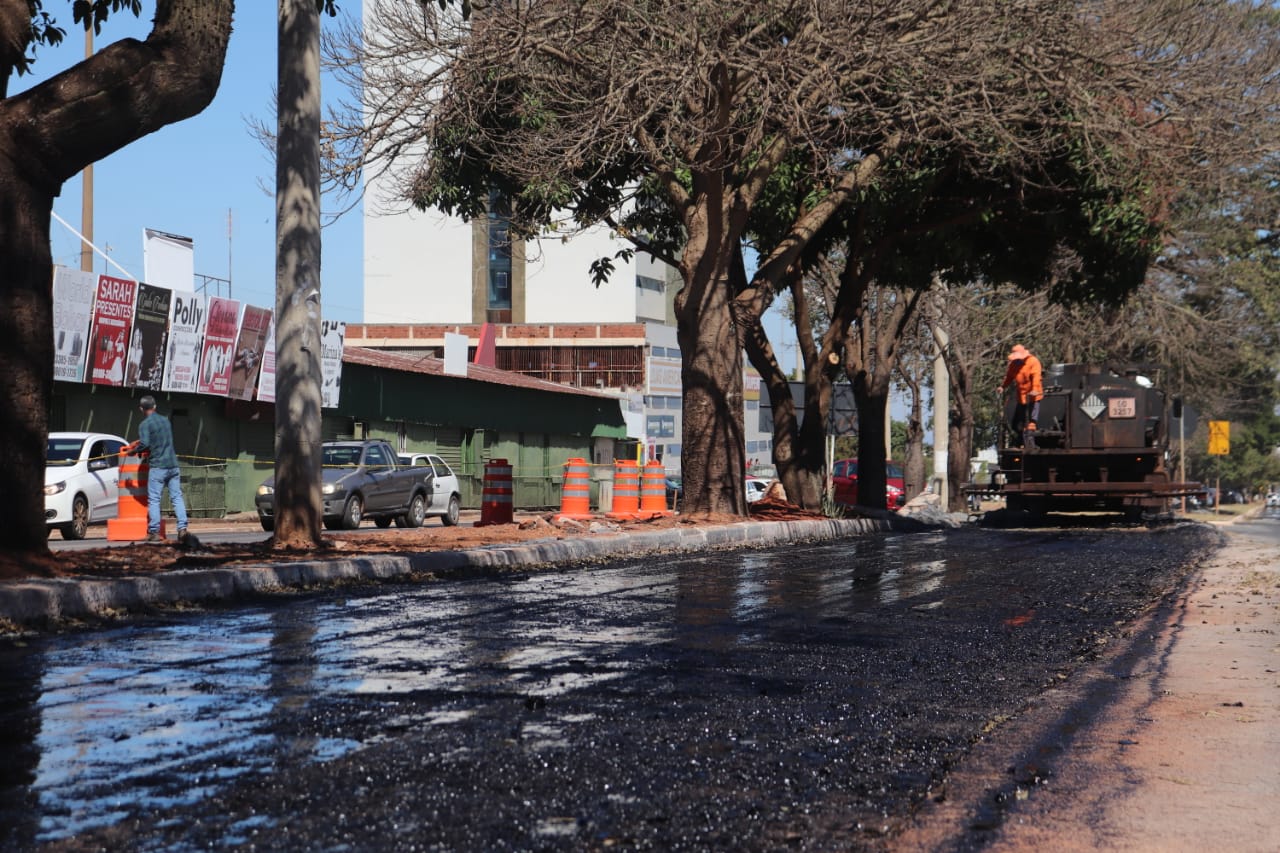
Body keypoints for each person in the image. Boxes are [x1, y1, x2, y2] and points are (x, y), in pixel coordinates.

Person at [126, 395, 189, 543]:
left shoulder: (144, 425)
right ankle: (182, 529)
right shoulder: (166, 421)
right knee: (176, 497)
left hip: (158, 467)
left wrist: (133, 451)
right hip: (173, 465)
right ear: (154, 406)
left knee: (154, 499)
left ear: (141, 409)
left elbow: (146, 444)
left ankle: (153, 532)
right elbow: (160, 440)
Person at [998, 344, 1044, 448]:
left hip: (1033, 397)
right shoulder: (1014, 364)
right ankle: (1019, 442)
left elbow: (1036, 376)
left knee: (1031, 421)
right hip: (1021, 397)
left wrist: (1035, 389)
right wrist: (1003, 386)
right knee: (1017, 422)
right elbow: (1009, 376)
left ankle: (1030, 444)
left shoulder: (1033, 361)